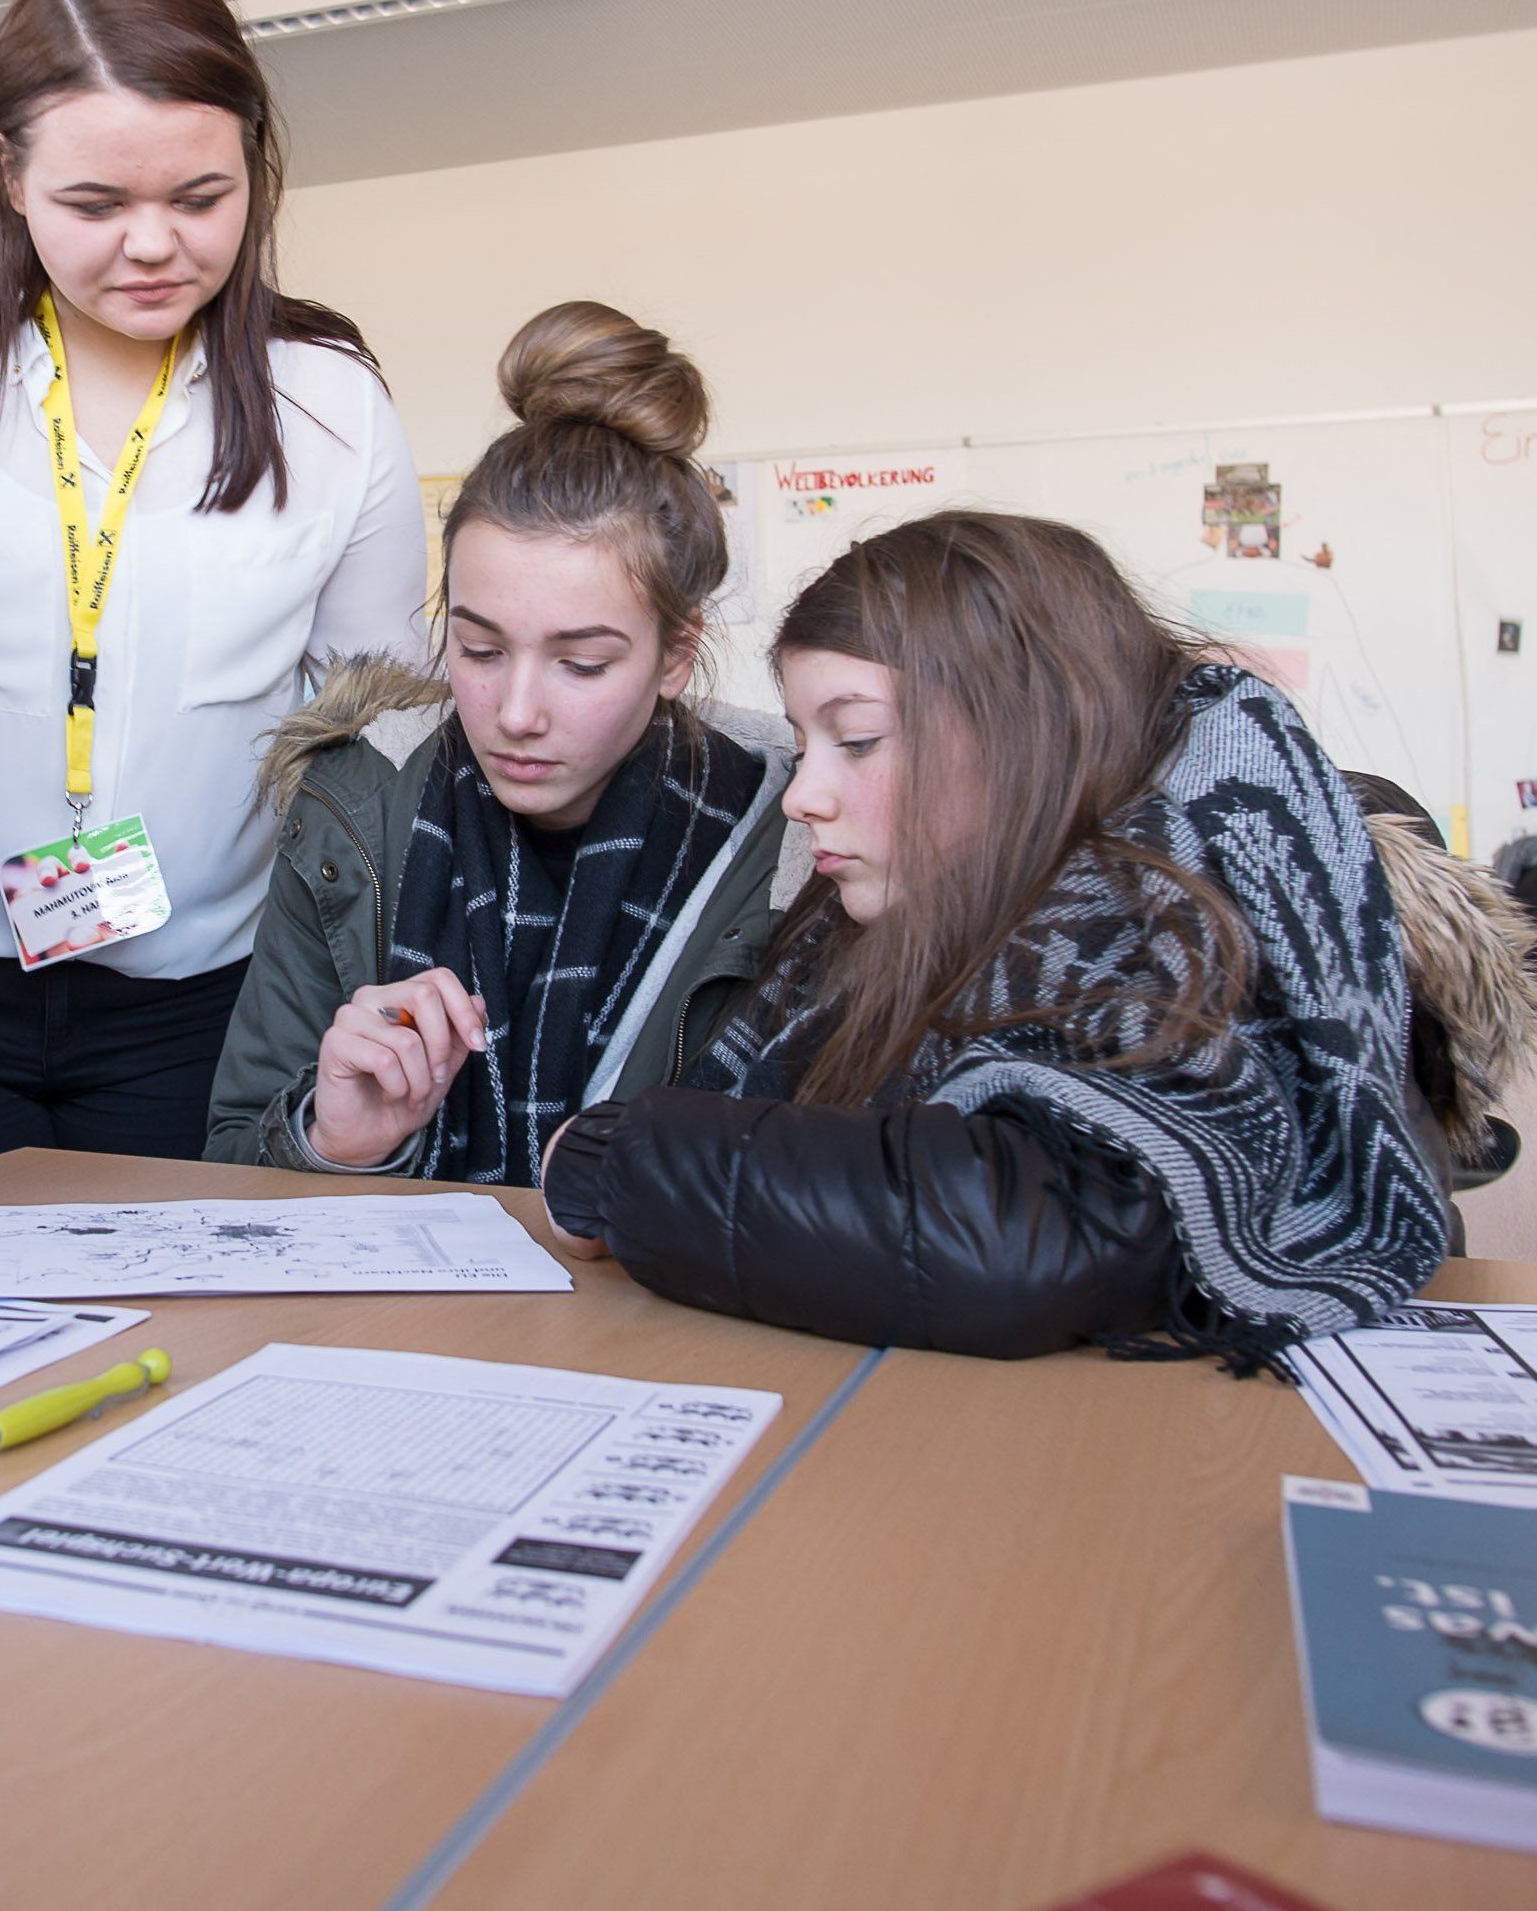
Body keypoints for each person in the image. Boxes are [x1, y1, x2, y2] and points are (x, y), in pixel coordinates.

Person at [536, 510, 1478, 1367]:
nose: (802, 794)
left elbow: (1027, 1238)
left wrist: (619, 1159)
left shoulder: (1184, 915)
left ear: (1023, 738)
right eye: (802, 740)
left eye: (855, 740)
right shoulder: (888, 925)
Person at [0, 0, 423, 1185]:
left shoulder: (328, 400)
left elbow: (382, 738)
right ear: (8, 171)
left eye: (202, 196)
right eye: (96, 204)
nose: (154, 247)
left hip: (204, 999)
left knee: (180, 1340)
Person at [204, 304, 797, 1179]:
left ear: (676, 655)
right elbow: (229, 1162)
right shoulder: (348, 809)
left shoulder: (794, 842)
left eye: (581, 663)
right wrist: (336, 1140)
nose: (514, 711)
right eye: (478, 649)